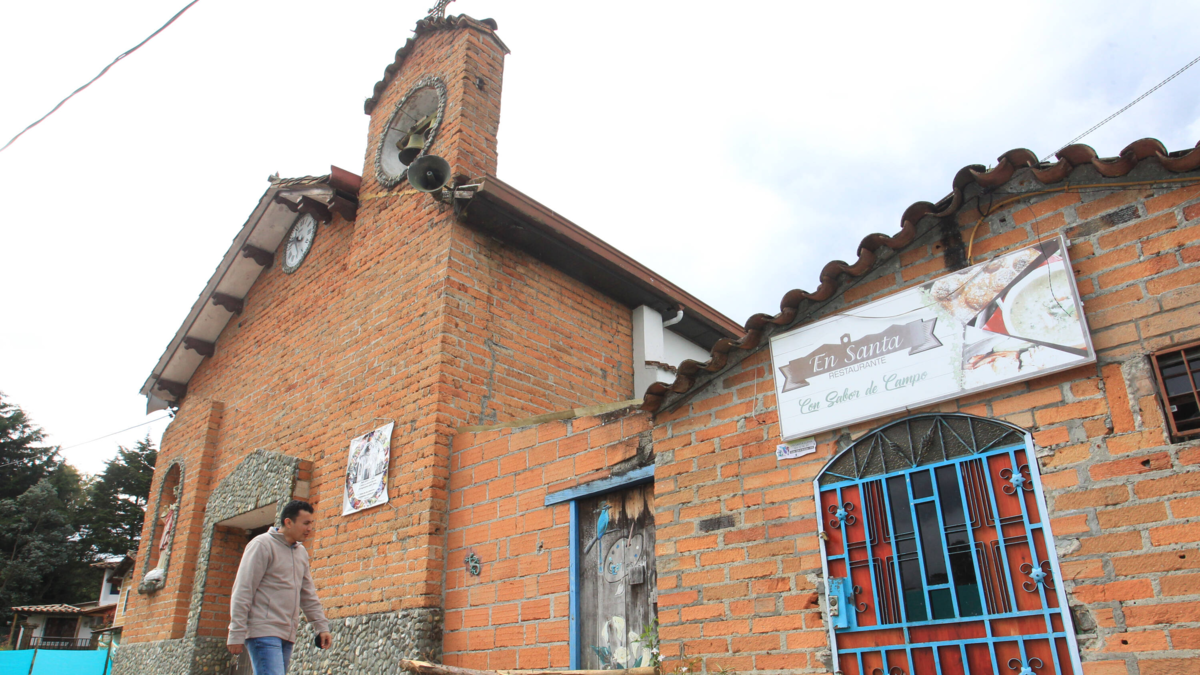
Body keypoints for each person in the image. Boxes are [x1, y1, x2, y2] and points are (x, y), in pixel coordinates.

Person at [227, 500, 333, 675]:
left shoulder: (300, 553)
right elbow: (243, 590)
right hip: (263, 631)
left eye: (311, 523)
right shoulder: (262, 545)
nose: (309, 528)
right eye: (305, 523)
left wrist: (321, 627)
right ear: (288, 522)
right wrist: (236, 632)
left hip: (286, 634)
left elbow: (308, 595)